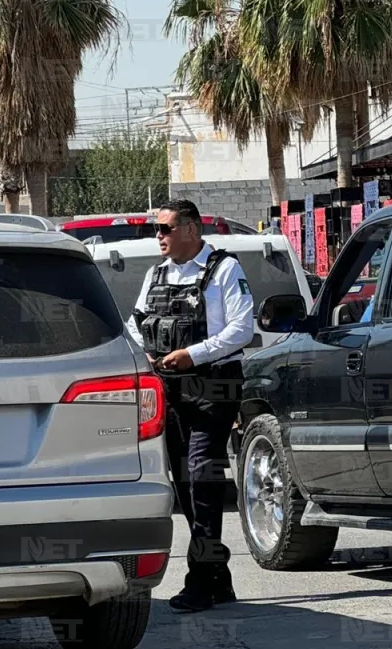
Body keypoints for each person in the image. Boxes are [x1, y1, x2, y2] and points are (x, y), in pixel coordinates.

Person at [127, 199, 255, 611]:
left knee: (202, 479)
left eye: (165, 228)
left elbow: (241, 329)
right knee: (184, 486)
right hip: (170, 392)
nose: (158, 237)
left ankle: (199, 581)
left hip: (212, 390)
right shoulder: (156, 273)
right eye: (156, 230)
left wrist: (193, 354)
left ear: (191, 229)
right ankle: (218, 575)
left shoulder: (224, 269)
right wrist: (142, 353)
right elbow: (136, 323)